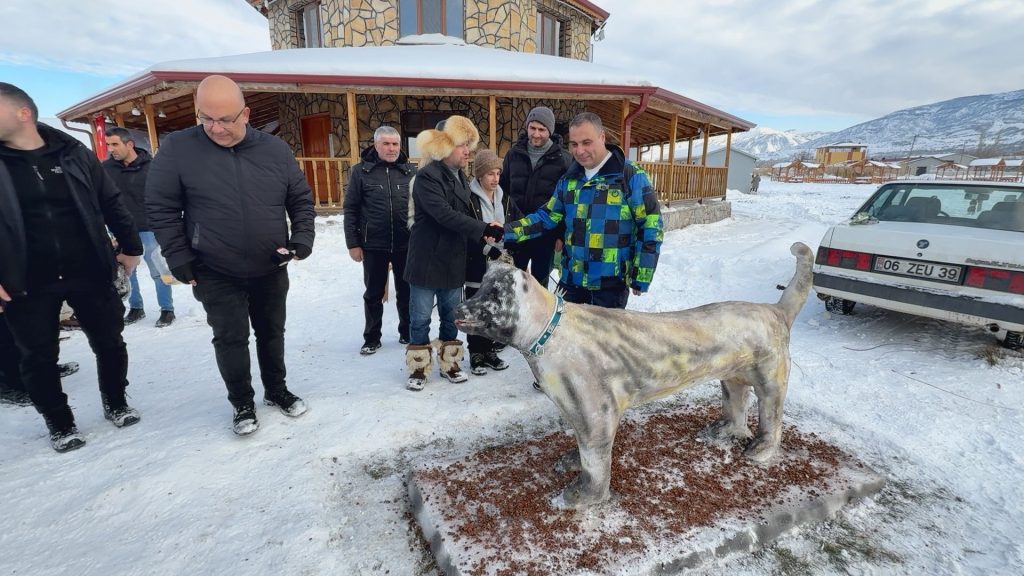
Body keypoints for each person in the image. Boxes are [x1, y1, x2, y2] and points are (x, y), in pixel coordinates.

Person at [146, 75, 316, 436]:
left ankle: (276, 390)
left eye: (225, 119)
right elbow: (161, 207)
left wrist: (301, 238)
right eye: (206, 118)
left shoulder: (274, 150)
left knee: (272, 332)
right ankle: (241, 402)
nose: (216, 128)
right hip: (214, 267)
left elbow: (300, 199)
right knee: (230, 337)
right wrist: (178, 256)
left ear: (246, 113)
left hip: (270, 264)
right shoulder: (178, 149)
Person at [0, 82, 143, 452]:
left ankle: (116, 402)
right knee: (38, 357)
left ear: (23, 113)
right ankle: (60, 423)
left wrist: (131, 246)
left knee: (110, 342)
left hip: (90, 270)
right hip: (26, 280)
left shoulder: (72, 152)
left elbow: (111, 202)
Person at [505, 111, 664, 309]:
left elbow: (651, 225)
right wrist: (506, 231)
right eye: (574, 144)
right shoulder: (569, 179)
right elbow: (546, 217)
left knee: (602, 340)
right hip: (572, 280)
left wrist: (642, 274)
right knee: (560, 335)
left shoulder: (628, 175)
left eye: (586, 142)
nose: (579, 151)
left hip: (610, 284)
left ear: (602, 137)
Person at [403, 115, 502, 391]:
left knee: (450, 316)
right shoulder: (426, 177)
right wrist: (483, 228)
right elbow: (444, 215)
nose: (467, 151)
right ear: (445, 147)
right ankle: (419, 367)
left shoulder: (459, 176)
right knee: (421, 317)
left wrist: (487, 233)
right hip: (425, 262)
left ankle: (450, 363)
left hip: (452, 261)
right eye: (462, 145)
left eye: (468, 145)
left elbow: (464, 214)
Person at [343, 126, 415, 355]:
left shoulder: (410, 172)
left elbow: (419, 208)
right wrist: (353, 243)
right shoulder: (360, 172)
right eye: (386, 144)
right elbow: (351, 209)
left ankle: (407, 332)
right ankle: (372, 337)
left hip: (406, 243)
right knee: (373, 293)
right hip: (373, 243)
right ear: (376, 145)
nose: (392, 148)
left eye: (395, 144)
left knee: (406, 292)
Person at [103, 127, 175, 327]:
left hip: (149, 228)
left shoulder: (152, 167)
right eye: (108, 144)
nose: (111, 149)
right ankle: (136, 308)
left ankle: (167, 309)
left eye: (115, 144)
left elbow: (164, 197)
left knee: (158, 270)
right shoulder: (105, 169)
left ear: (129, 144)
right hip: (120, 230)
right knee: (127, 272)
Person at [499, 106, 572, 290]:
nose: (536, 134)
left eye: (542, 129)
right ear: (527, 127)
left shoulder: (564, 159)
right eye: (533, 128)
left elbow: (567, 202)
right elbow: (503, 192)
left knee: (540, 284)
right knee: (515, 282)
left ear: (550, 131)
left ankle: (539, 318)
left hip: (546, 234)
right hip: (517, 231)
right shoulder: (513, 154)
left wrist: (560, 234)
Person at [466, 148, 521, 375]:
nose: (495, 178)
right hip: (477, 263)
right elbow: (467, 232)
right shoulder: (469, 200)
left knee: (495, 308)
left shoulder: (506, 199)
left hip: (502, 264)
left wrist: (510, 244)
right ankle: (475, 352)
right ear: (480, 174)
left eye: (498, 173)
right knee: (477, 308)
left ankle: (490, 350)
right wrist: (490, 250)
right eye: (490, 173)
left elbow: (519, 224)